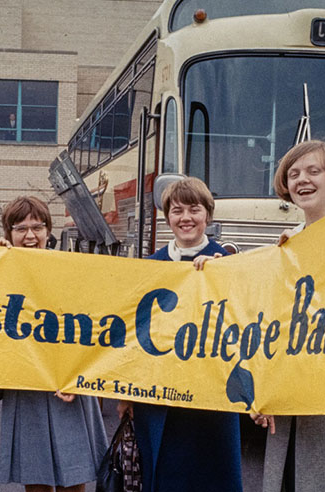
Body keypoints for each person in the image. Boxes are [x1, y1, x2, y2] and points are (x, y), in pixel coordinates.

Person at [118, 177, 242, 492]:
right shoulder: (151, 266)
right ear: (167, 217)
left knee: (212, 475)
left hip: (210, 396)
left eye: (194, 209)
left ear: (207, 216)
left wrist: (221, 276)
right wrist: (125, 393)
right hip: (159, 396)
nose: (185, 217)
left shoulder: (228, 264)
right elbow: (135, 332)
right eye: (176, 211)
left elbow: (244, 324)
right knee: (163, 476)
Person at [251, 140, 325, 492]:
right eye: (294, 173)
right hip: (289, 399)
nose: (302, 180)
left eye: (314, 171)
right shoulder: (286, 244)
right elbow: (272, 320)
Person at [0, 196, 108, 492]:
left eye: (37, 227)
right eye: (20, 229)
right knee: (37, 479)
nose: (30, 236)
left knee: (74, 477)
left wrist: (80, 376)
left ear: (48, 231)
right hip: (26, 386)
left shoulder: (70, 269)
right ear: (9, 234)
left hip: (67, 385)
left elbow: (93, 327)